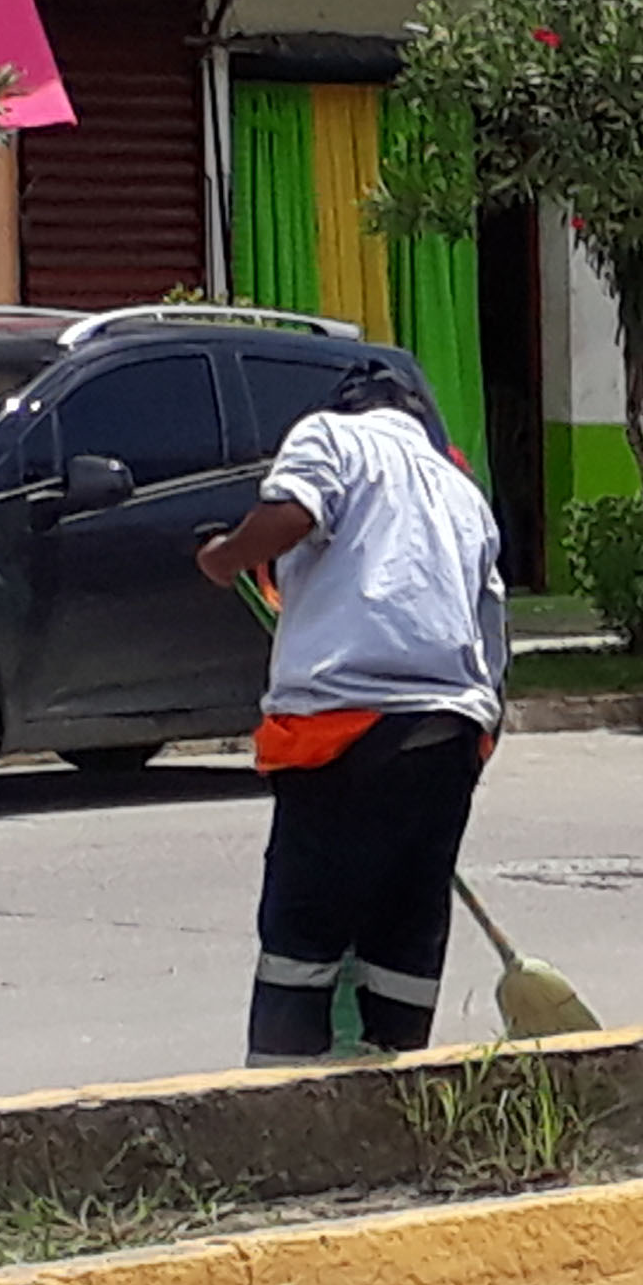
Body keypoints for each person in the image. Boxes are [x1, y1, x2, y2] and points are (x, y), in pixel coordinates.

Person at [191, 363, 509, 1063]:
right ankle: (398, 1097)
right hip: (449, 737)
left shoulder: (332, 437)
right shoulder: (461, 490)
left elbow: (292, 513)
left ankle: (281, 1107)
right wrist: (465, 751)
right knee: (405, 940)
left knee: (302, 943)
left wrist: (224, 559)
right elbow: (493, 646)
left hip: (345, 738)